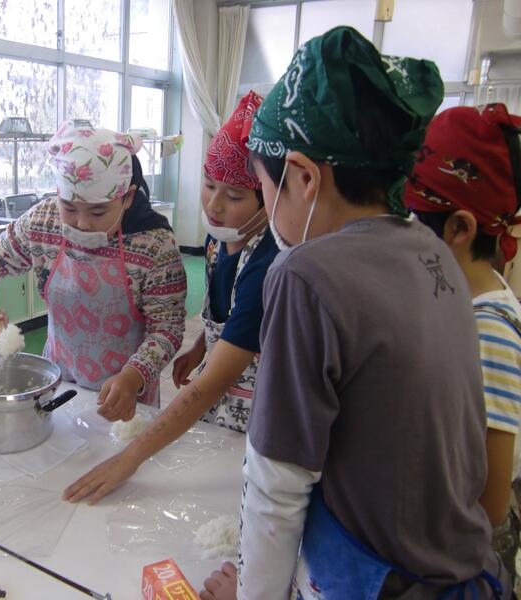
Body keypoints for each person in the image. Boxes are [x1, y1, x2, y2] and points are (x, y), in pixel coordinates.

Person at [201, 26, 511, 600]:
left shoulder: (304, 275)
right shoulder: (431, 253)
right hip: (462, 573)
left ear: (303, 177)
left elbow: (276, 485)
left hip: (380, 583)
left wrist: (251, 593)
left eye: (262, 188)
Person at [63, 92, 280, 505]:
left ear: (267, 198)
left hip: (257, 410)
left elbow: (212, 384)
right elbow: (224, 312)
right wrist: (200, 347)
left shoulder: (267, 263)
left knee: (231, 494)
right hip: (220, 400)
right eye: (208, 185)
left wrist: (131, 457)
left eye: (235, 196)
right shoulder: (219, 241)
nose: (214, 206)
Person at [0, 123, 186, 421]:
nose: (82, 223)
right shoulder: (44, 221)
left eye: (98, 212)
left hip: (125, 395)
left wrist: (134, 376)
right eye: (69, 207)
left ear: (128, 197)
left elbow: (167, 328)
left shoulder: (154, 244)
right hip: (57, 384)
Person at [404, 103, 521, 586]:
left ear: (459, 228)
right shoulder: (456, 301)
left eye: (411, 224)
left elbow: (490, 503)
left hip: (462, 556)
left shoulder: (489, 332)